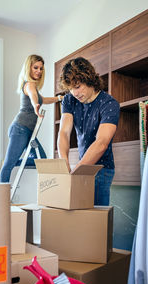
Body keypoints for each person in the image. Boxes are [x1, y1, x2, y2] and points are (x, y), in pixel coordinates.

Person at [57, 57, 120, 206]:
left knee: (97, 218)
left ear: (89, 79)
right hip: (81, 165)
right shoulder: (69, 100)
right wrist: (64, 161)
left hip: (102, 169)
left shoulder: (109, 104)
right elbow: (64, 133)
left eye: (77, 86)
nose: (74, 93)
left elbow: (101, 143)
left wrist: (77, 171)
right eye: (71, 88)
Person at [0, 54, 63, 183]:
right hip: (20, 129)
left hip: (29, 132)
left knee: (42, 161)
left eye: (41, 68)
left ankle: (11, 160)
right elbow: (34, 97)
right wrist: (36, 106)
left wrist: (59, 98)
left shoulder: (34, 86)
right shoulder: (29, 84)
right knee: (8, 166)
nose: (39, 71)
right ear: (28, 67)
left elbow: (42, 99)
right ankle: (2, 196)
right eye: (35, 67)